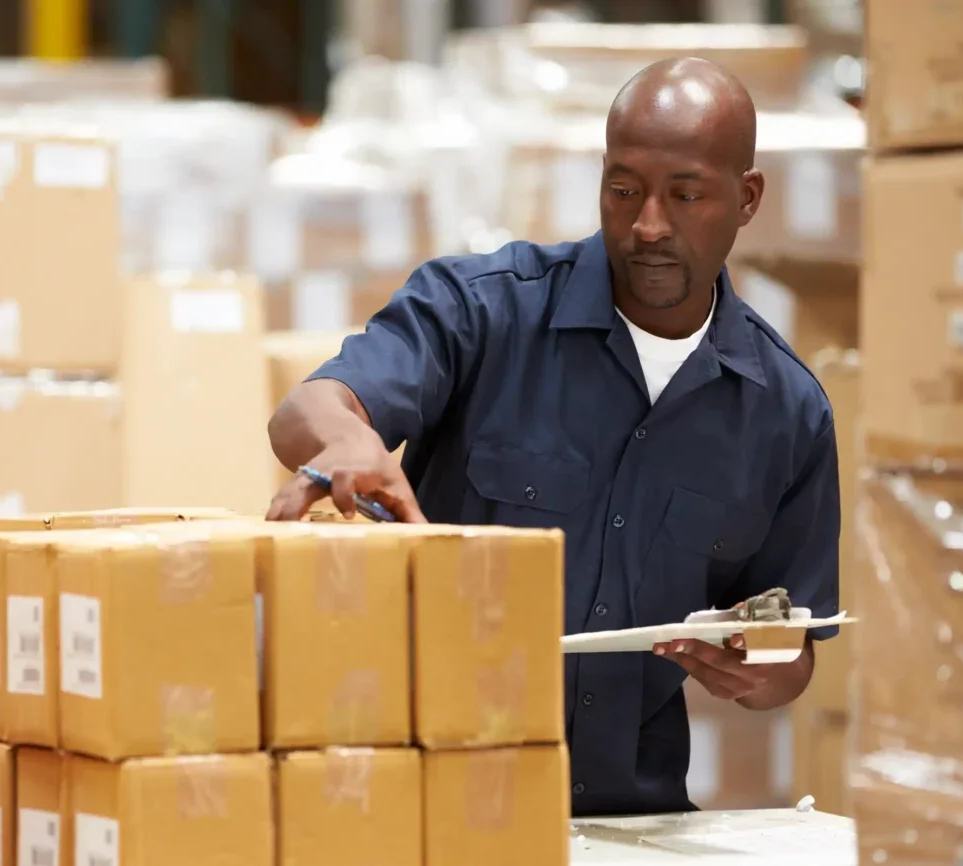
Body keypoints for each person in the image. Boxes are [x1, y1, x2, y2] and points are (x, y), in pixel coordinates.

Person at [265, 57, 840, 816]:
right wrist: (345, 440)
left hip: (630, 823)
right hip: (435, 808)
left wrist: (757, 669)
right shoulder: (480, 314)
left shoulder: (786, 413)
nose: (649, 226)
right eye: (624, 189)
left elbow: (791, 653)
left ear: (748, 198)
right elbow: (308, 409)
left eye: (686, 194)